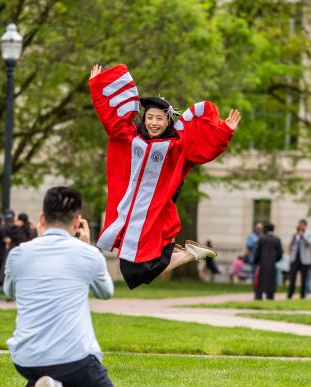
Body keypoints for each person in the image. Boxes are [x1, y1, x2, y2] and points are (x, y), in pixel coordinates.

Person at [89, 64, 241, 289]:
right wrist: (98, 84)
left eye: (159, 118)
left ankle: (187, 255)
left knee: (134, 271)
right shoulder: (132, 140)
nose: (153, 123)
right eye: (150, 117)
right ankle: (185, 254)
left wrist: (225, 131)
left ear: (168, 121)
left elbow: (202, 148)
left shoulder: (175, 147)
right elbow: (112, 118)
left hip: (155, 215)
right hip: (129, 214)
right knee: (130, 270)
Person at [4, 186, 119, 387]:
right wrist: (89, 248)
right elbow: (105, 292)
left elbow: (9, 292)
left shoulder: (18, 254)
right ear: (77, 223)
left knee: (48, 365)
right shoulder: (88, 254)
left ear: (42, 218)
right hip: (73, 359)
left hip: (25, 359)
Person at [253, 223, 283, 300]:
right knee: (271, 284)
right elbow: (280, 254)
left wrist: (257, 261)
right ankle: (270, 297)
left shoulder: (261, 239)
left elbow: (257, 252)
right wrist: (274, 260)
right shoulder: (277, 240)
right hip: (272, 265)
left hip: (262, 265)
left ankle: (258, 297)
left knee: (260, 283)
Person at [288, 219, 311, 299]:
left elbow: (309, 244)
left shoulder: (309, 233)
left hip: (304, 260)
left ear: (305, 225)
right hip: (294, 259)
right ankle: (290, 295)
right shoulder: (295, 234)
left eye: (301, 224)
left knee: (303, 279)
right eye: (299, 224)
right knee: (292, 278)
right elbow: (291, 244)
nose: (300, 226)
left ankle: (302, 295)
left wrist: (303, 236)